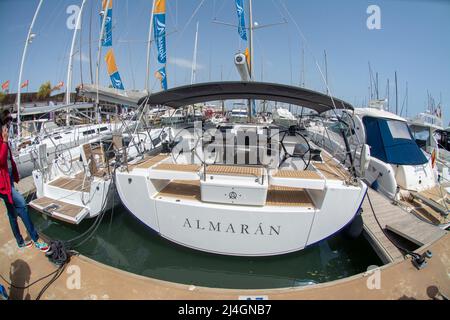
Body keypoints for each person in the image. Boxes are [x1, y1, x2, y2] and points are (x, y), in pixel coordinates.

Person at [0, 110, 49, 252]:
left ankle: (20, 241)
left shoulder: (4, 138)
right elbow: (1, 160)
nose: (8, 128)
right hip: (2, 183)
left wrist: (15, 173)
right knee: (21, 204)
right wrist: (4, 140)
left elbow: (9, 159)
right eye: (7, 125)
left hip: (7, 179)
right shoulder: (2, 139)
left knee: (11, 213)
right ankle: (36, 239)